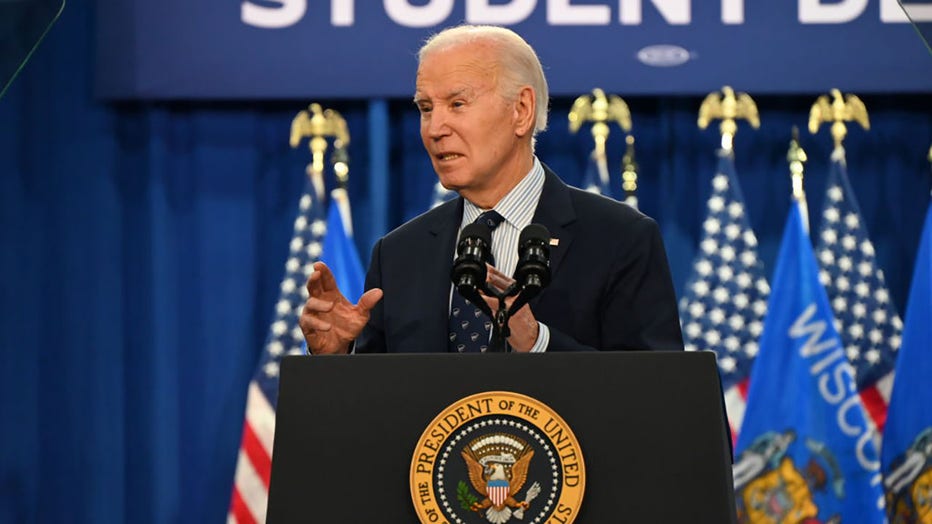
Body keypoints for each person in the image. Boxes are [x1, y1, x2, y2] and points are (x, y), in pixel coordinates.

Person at [300, 24, 683, 355]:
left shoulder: (620, 239)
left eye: (457, 103)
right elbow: (382, 411)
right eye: (426, 108)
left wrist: (537, 344)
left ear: (521, 110)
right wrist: (337, 359)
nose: (435, 129)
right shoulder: (398, 254)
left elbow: (657, 397)